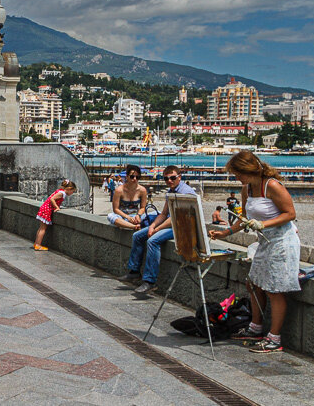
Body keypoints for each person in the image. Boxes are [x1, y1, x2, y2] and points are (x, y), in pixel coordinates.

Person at [211, 150, 299, 354]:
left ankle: (274, 338)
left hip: (282, 241)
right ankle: (255, 328)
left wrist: (263, 223)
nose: (237, 178)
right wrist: (226, 232)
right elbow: (244, 219)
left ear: (249, 170)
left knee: (274, 290)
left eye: (238, 173)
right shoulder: (247, 189)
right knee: (254, 284)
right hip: (264, 242)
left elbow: (290, 213)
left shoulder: (272, 186)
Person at [118, 164, 194, 295]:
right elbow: (164, 214)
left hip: (183, 227)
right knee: (138, 235)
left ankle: (149, 281)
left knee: (152, 241)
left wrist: (157, 228)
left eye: (172, 178)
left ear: (179, 177)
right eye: (166, 179)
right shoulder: (171, 192)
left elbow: (176, 218)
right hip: (171, 223)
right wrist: (152, 226)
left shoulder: (185, 192)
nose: (169, 181)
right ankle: (134, 271)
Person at [33, 180, 77, 251]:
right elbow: (52, 199)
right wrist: (57, 207)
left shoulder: (60, 191)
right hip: (47, 210)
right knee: (43, 229)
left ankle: (36, 243)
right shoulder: (61, 193)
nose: (72, 193)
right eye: (73, 191)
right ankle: (38, 245)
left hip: (44, 208)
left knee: (41, 228)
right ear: (69, 189)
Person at [107, 164, 147, 231]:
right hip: (121, 215)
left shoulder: (142, 190)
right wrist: (127, 217)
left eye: (137, 177)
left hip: (135, 215)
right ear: (127, 176)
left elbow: (143, 207)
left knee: (152, 215)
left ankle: (131, 224)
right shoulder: (119, 190)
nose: (134, 179)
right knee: (110, 216)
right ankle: (133, 227)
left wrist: (138, 215)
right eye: (132, 177)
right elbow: (116, 209)